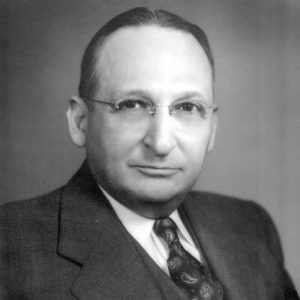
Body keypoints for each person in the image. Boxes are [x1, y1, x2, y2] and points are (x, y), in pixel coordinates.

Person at [0, 7, 298, 300]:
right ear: (80, 121)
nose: (161, 143)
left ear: (212, 128)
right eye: (132, 104)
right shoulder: (9, 249)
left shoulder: (252, 225)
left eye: (187, 107)